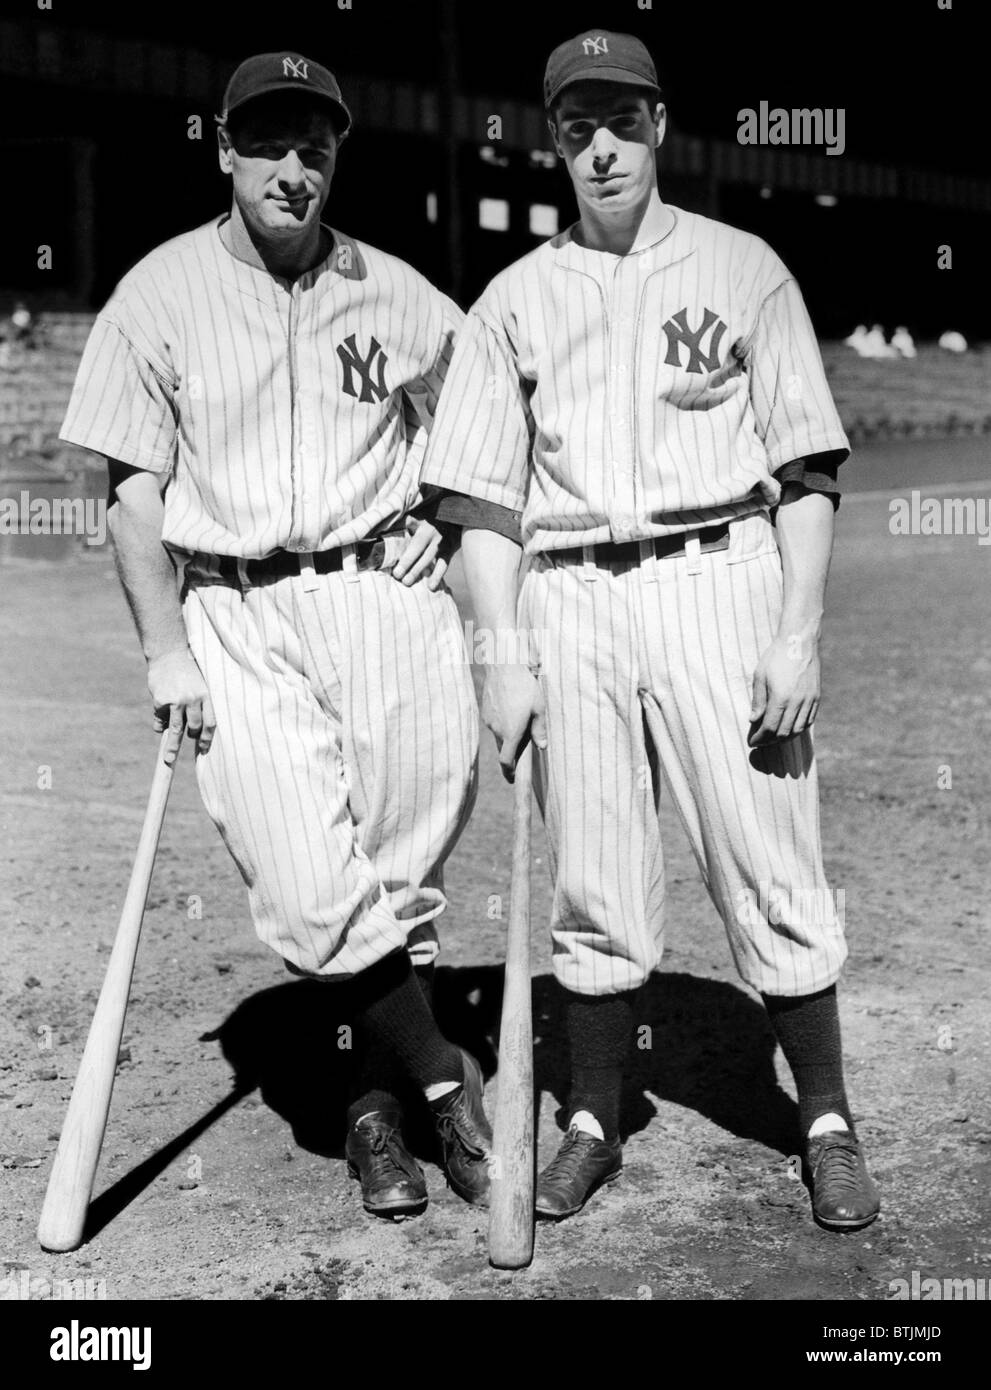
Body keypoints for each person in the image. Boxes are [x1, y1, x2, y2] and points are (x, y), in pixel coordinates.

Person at [420, 29, 880, 1230]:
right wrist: (497, 652)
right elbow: (478, 502)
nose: (601, 146)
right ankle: (591, 1116)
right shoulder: (512, 300)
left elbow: (807, 468)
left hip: (718, 575)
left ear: (660, 124)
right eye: (577, 127)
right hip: (569, 592)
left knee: (767, 846)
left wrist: (798, 632)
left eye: (622, 120)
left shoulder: (743, 268)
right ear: (553, 141)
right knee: (593, 875)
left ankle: (822, 1115)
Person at [60, 51, 493, 1220]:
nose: (292, 168)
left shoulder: (397, 290)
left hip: (382, 597)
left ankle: (369, 1116)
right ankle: (444, 1075)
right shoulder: (158, 292)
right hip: (235, 605)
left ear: (336, 156)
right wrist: (164, 650)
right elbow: (131, 494)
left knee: (403, 878)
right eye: (268, 143)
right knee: (309, 886)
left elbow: (492, 422)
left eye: (314, 146)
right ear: (224, 148)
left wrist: (442, 529)